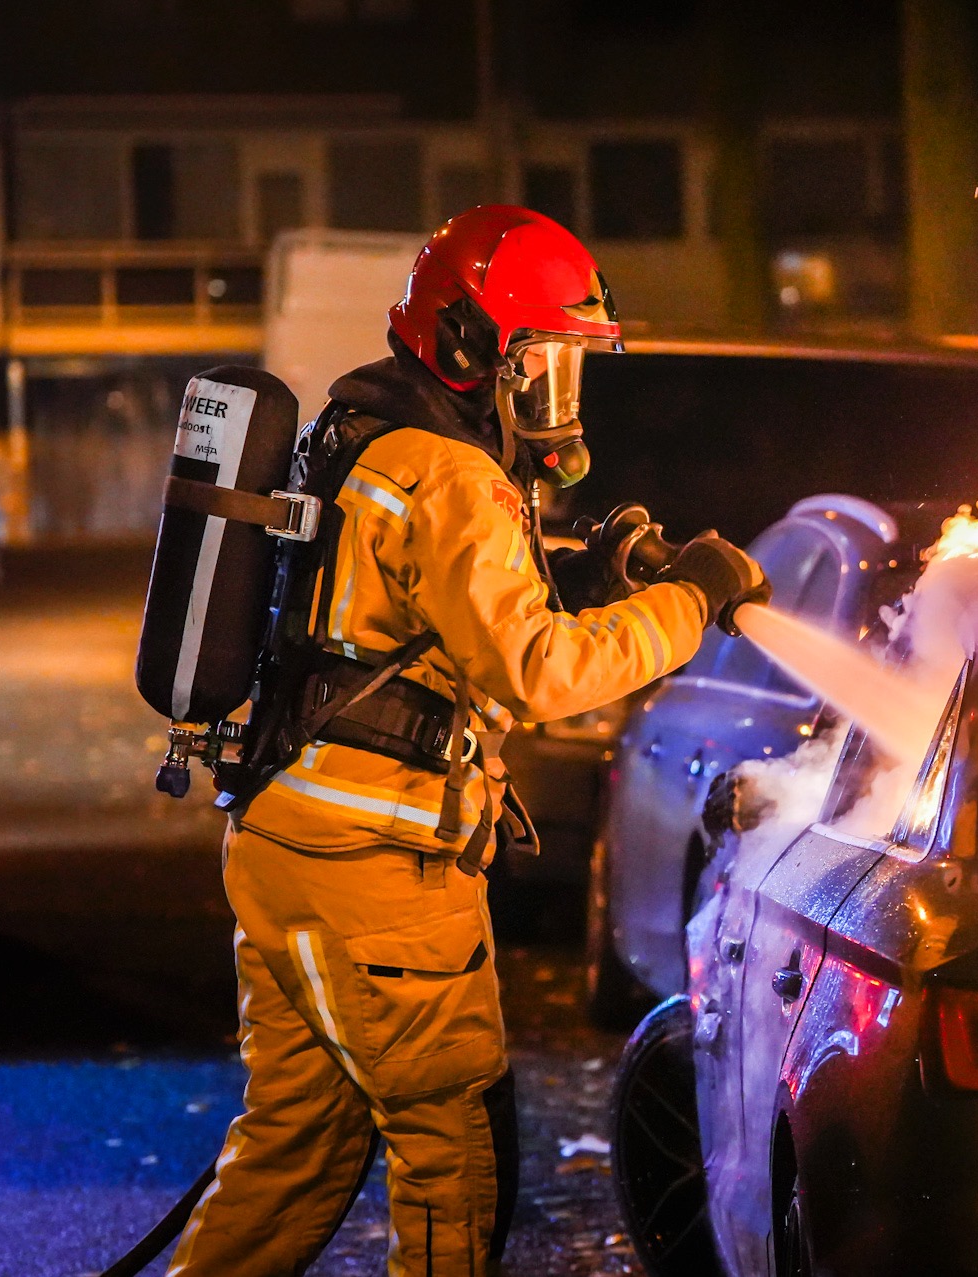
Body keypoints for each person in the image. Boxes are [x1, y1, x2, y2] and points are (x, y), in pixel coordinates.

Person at [165, 206, 767, 1276]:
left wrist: (584, 577)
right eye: (542, 365)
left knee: (293, 1155)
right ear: (467, 345)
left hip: (289, 842)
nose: (556, 397)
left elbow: (415, 614)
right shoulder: (452, 475)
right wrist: (687, 600)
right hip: (380, 875)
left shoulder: (366, 436)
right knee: (455, 1156)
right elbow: (537, 670)